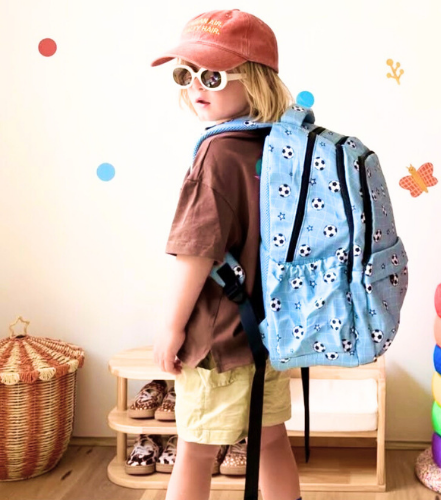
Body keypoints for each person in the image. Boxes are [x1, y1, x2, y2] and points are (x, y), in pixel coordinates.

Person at [150, 9, 302, 500]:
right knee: (271, 441)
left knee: (193, 447)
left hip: (219, 339)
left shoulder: (216, 154)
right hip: (271, 331)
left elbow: (196, 252)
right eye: (185, 74)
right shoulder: (280, 145)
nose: (197, 87)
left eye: (213, 76)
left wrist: (172, 327)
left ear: (254, 82)